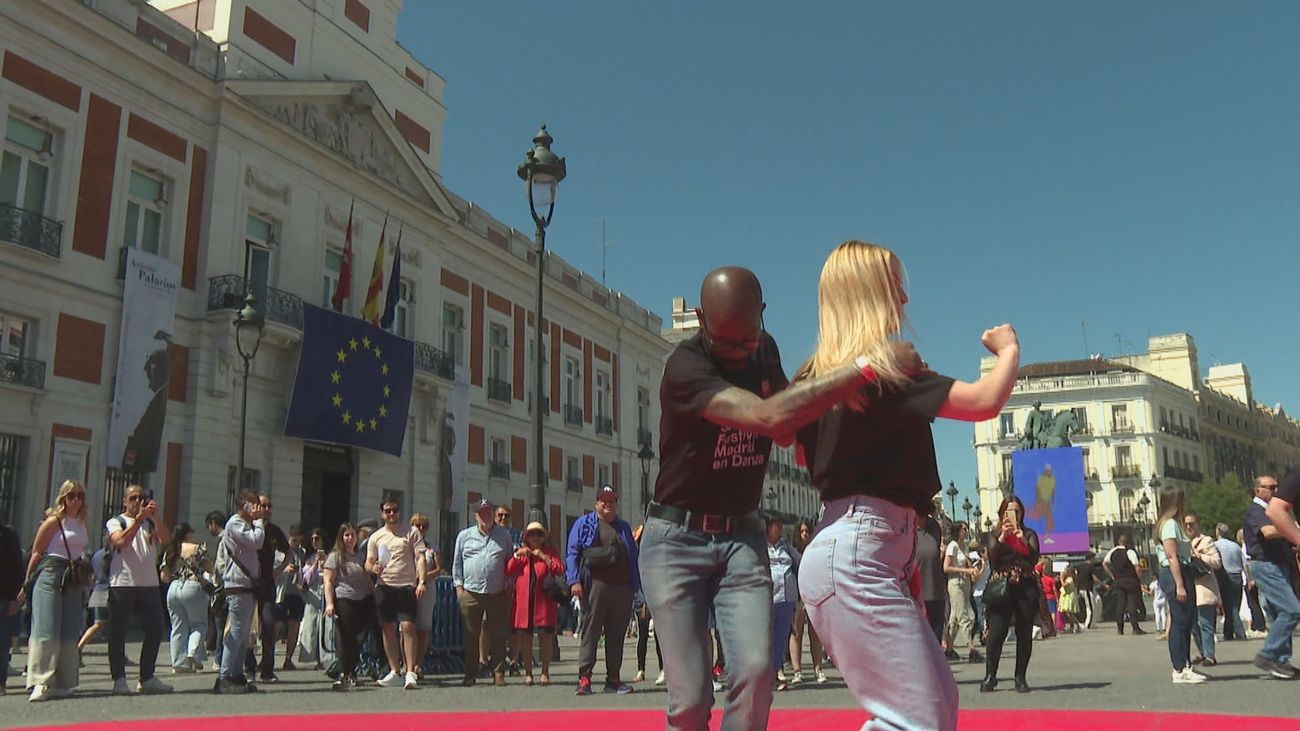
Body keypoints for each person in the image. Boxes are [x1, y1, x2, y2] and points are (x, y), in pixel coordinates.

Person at [642, 264, 916, 731]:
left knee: (755, 674)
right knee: (690, 699)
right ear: (699, 318)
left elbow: (793, 429)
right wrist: (865, 366)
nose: (737, 353)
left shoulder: (764, 351)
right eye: (725, 342)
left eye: (746, 340)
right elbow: (770, 417)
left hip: (741, 538)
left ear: (762, 317)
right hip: (675, 541)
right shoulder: (686, 367)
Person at [794, 241, 1020, 729]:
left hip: (856, 547)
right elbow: (984, 400)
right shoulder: (888, 370)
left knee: (930, 706)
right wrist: (1008, 349)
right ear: (872, 293)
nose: (905, 298)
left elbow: (807, 454)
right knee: (920, 714)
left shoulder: (817, 379)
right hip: (858, 551)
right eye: (897, 285)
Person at [567, 486, 640, 696]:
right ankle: (584, 678)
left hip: (622, 588)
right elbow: (572, 553)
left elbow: (633, 558)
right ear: (596, 504)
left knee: (616, 634)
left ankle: (613, 679)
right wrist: (574, 581)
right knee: (591, 632)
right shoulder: (584, 524)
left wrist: (635, 586)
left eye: (612, 501)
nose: (608, 504)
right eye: (603, 501)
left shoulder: (624, 527)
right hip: (595, 586)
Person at [24, 480, 90, 701]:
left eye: (80, 496)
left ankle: (64, 681)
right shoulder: (53, 521)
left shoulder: (81, 522)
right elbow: (36, 553)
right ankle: (41, 681)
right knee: (47, 625)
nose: (76, 500)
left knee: (70, 628)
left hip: (73, 577)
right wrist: (26, 584)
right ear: (63, 498)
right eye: (72, 495)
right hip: (51, 572)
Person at [105, 484, 173, 695]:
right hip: (123, 584)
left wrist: (155, 518)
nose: (137, 501)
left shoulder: (149, 524)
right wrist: (138, 519)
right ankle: (119, 679)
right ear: (125, 501)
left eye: (141, 497)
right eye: (133, 498)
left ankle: (147, 676)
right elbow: (121, 541)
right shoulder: (116, 521)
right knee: (118, 633)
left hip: (148, 584)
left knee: (155, 629)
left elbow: (166, 540)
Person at [365, 498, 428, 689]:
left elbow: (420, 557)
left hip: (406, 585)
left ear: (399, 512)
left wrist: (422, 581)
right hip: (384, 586)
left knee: (408, 627)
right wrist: (372, 567)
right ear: (382, 514)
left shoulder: (411, 532)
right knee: (388, 629)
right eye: (388, 511)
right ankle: (394, 671)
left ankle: (410, 671)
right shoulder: (376, 537)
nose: (391, 514)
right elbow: (368, 562)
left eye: (394, 510)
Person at [981, 496, 1040, 694]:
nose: (1014, 514)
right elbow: (993, 560)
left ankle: (1020, 677)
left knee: (1024, 632)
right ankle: (990, 675)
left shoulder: (1030, 533)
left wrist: (1022, 539)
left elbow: (1033, 559)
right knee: (996, 632)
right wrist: (1003, 537)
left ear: (1022, 513)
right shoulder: (994, 534)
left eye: (1017, 510)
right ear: (1002, 513)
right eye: (1009, 510)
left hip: (1025, 585)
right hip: (1001, 586)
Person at [452, 499, 511, 687]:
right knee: (470, 635)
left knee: (499, 635)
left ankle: (498, 672)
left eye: (489, 512)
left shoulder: (504, 535)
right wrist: (459, 588)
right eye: (482, 512)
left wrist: (508, 584)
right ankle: (470, 673)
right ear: (475, 515)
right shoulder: (464, 536)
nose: (486, 515)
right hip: (471, 591)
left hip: (497, 592)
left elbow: (510, 561)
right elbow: (457, 564)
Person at [1248, 473, 1300, 678]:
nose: (1275, 490)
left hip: (1279, 563)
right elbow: (1268, 532)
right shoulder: (1256, 510)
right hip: (1266, 564)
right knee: (1292, 610)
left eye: (1276, 487)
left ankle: (1280, 662)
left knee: (1280, 613)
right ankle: (1268, 654)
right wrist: (1292, 529)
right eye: (1269, 487)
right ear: (1257, 490)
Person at [215, 491, 266, 694]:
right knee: (236, 631)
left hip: (247, 585)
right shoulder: (235, 524)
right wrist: (260, 521)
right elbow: (257, 541)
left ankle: (236, 673)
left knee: (243, 632)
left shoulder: (244, 525)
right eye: (254, 504)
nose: (257, 508)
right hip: (237, 585)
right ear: (244, 505)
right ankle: (225, 675)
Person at [1152, 485, 1204, 684]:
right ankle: (1179, 668)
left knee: (1186, 620)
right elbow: (1172, 556)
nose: (1186, 502)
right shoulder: (1170, 525)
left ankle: (1185, 665)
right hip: (1176, 573)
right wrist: (1180, 585)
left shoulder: (1171, 524)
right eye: (1183, 499)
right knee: (1181, 622)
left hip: (1179, 571)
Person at [506, 521, 565, 686]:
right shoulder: (521, 552)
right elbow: (508, 569)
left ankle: (545, 672)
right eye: (532, 534)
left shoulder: (550, 551)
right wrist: (518, 556)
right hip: (524, 601)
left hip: (544, 602)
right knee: (525, 637)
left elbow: (559, 569)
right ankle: (528, 672)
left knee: (545, 637)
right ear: (527, 537)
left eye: (539, 534)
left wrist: (544, 557)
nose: (536, 538)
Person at [323, 523, 374, 691]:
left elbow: (366, 577)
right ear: (341, 537)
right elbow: (328, 581)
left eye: (352, 535)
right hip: (344, 598)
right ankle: (344, 673)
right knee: (345, 637)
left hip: (363, 598)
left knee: (358, 637)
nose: (350, 538)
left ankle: (352, 671)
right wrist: (330, 603)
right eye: (346, 535)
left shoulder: (360, 556)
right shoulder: (336, 556)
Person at [246, 495, 290, 684]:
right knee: (248, 628)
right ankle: (248, 667)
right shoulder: (246, 528)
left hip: (267, 583)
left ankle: (267, 669)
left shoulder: (274, 531)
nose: (267, 509)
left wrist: (278, 570)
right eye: (263, 505)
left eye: (269, 506)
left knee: (269, 623)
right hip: (248, 584)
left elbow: (288, 552)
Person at [162, 522, 211, 674]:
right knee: (198, 624)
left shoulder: (170, 551)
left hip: (174, 588)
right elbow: (210, 568)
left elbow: (163, 577)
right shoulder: (196, 549)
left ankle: (178, 663)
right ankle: (193, 653)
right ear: (188, 534)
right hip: (192, 586)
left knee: (177, 627)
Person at [787, 520, 824, 685]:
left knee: (815, 635)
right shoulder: (793, 553)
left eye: (807, 531)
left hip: (814, 598)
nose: (805, 534)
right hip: (798, 598)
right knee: (796, 634)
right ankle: (797, 671)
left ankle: (818, 669)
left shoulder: (817, 549)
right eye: (802, 531)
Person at [1183, 513, 1221, 667]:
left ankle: (1210, 655)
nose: (1189, 527)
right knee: (1193, 625)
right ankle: (1202, 652)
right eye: (1186, 524)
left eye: (1191, 523)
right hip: (1190, 586)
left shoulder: (1207, 541)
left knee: (1205, 623)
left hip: (1204, 587)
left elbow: (1217, 562)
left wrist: (1199, 555)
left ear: (1198, 524)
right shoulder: (1182, 542)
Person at [765, 517, 799, 692]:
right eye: (775, 525)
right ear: (768, 527)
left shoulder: (785, 545)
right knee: (766, 639)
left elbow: (798, 562)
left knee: (780, 639)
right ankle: (763, 677)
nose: (779, 528)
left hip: (787, 597)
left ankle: (774, 674)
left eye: (780, 525)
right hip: (767, 598)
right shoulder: (761, 546)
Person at [943, 522, 982, 663]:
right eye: (964, 529)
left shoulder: (964, 547)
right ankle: (971, 648)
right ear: (957, 531)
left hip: (965, 584)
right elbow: (946, 568)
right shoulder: (952, 546)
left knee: (954, 619)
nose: (966, 531)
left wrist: (974, 568)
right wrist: (965, 570)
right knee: (966, 616)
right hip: (955, 584)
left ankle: (949, 649)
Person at [409, 513, 437, 676]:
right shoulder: (406, 544)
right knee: (406, 625)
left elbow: (439, 568)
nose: (420, 529)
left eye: (423, 526)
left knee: (423, 627)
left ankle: (418, 663)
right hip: (408, 586)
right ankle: (407, 663)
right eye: (417, 525)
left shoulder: (432, 547)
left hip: (427, 588)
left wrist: (423, 577)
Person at [277, 525, 307, 671]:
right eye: (294, 539)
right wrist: (284, 569)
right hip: (282, 593)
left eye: (298, 539)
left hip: (297, 593)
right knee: (277, 625)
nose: (296, 542)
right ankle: (267, 656)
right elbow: (274, 571)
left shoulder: (302, 553)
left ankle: (288, 658)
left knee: (294, 626)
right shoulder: (280, 552)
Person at [296, 528, 327, 670]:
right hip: (313, 593)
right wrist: (315, 564)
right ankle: (313, 657)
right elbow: (306, 579)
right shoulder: (308, 558)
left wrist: (325, 562)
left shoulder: (330, 556)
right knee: (312, 625)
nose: (315, 541)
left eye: (317, 539)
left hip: (325, 592)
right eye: (313, 539)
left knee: (324, 626)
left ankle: (324, 657)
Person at [1103, 534, 1145, 635]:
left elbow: (1104, 563)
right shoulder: (1130, 552)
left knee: (1120, 605)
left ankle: (1120, 629)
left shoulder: (1112, 552)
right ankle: (1135, 628)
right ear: (1127, 542)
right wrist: (1141, 580)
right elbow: (1137, 567)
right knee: (1131, 604)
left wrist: (1112, 575)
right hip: (1131, 581)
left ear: (1118, 542)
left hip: (1118, 581)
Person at [1212, 523, 1246, 642]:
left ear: (1218, 532)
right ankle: (1228, 632)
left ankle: (1240, 632)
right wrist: (1248, 577)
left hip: (1225, 576)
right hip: (1238, 575)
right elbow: (1244, 563)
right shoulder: (1235, 546)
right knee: (1234, 604)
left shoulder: (1215, 545)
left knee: (1229, 606)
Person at [0, 520, 23, 694]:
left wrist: (16, 598)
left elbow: (17, 567)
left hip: (4, 596)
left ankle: (1, 682)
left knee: (2, 641)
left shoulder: (8, 535)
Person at [917, 513, 947, 644]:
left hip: (936, 594)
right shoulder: (905, 525)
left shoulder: (934, 527)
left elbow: (935, 556)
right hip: (915, 597)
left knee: (935, 644)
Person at [1074, 552, 1100, 629]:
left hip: (1080, 588)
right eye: (1094, 558)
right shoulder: (1091, 567)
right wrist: (1104, 585)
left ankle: (1092, 623)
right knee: (1090, 607)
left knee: (1086, 606)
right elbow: (1095, 579)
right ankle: (1088, 624)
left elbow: (1075, 575)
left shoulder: (1079, 566)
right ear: (1091, 558)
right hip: (1087, 589)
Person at [1057, 565, 1081, 634]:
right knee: (1067, 612)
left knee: (1069, 612)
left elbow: (1064, 585)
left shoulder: (1070, 579)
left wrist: (1061, 579)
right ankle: (1072, 626)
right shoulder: (1068, 578)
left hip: (1069, 597)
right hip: (1066, 596)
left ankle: (1077, 625)